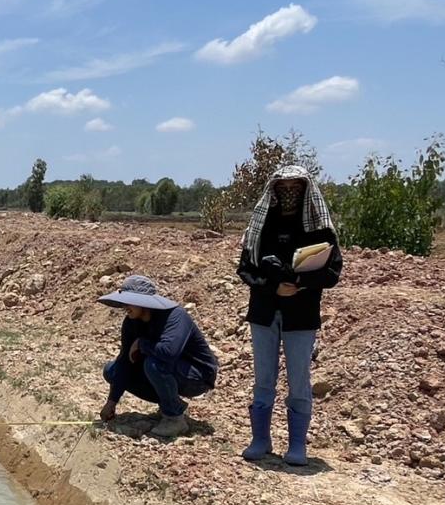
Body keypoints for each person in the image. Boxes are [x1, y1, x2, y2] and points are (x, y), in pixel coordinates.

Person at [236, 166, 342, 466]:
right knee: (263, 378)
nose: (289, 193)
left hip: (302, 314)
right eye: (283, 188)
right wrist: (273, 287)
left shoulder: (318, 227)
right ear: (274, 190)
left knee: (299, 380)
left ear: (306, 190)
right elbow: (246, 269)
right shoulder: (262, 225)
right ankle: (260, 440)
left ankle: (297, 446)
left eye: (296, 187)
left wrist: (300, 284)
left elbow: (332, 272)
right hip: (264, 312)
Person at [98, 274, 219, 438]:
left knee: (154, 363)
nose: (126, 306)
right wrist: (111, 402)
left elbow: (169, 352)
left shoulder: (175, 316)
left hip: (197, 377)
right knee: (111, 370)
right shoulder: (131, 323)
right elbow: (125, 361)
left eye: (130, 301)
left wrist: (142, 344)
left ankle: (174, 418)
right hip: (168, 369)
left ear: (143, 302)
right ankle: (169, 402)